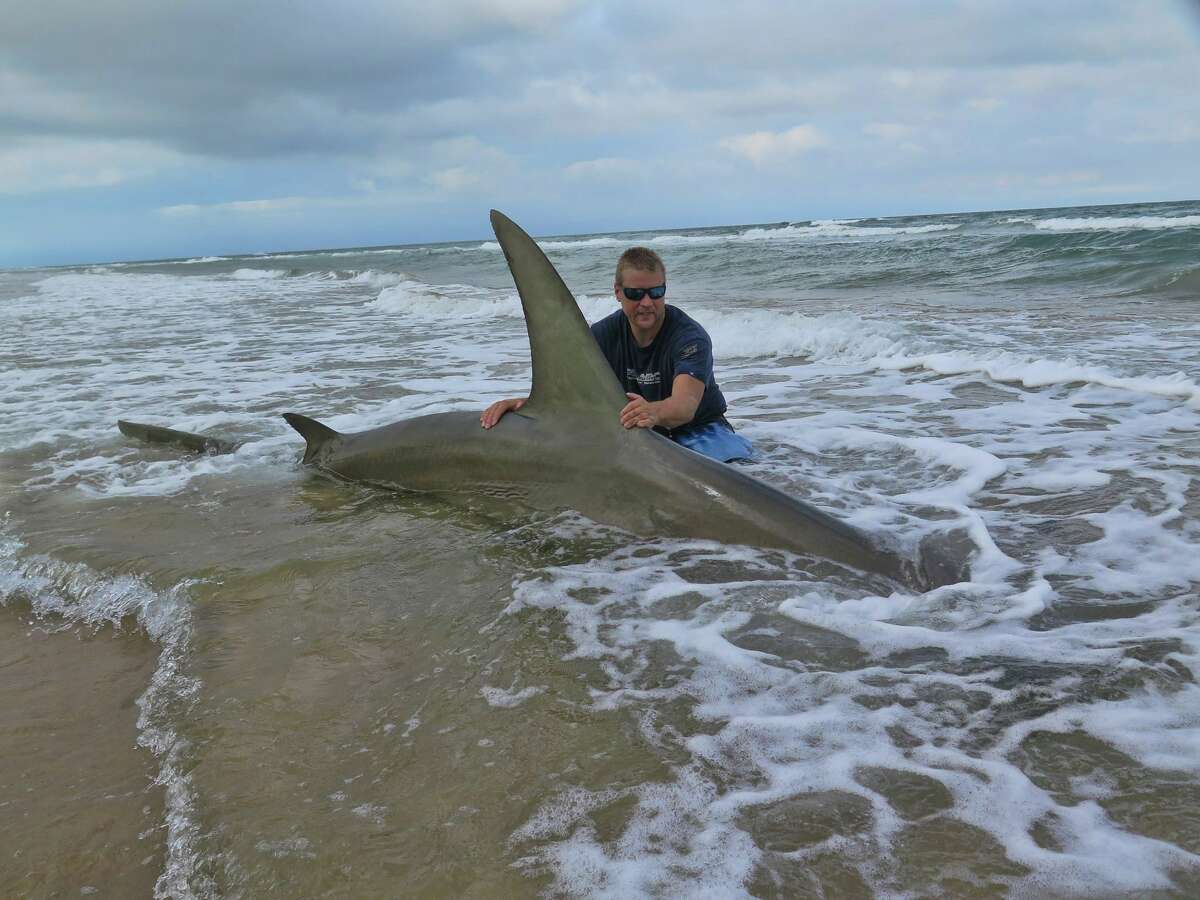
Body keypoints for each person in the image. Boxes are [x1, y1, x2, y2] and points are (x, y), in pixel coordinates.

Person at [480, 246, 754, 463]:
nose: (647, 303)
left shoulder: (689, 337)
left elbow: (685, 405)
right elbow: (574, 392)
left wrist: (654, 411)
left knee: (737, 475)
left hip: (701, 430)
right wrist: (524, 403)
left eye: (656, 292)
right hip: (642, 435)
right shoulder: (602, 335)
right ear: (618, 292)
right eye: (636, 293)